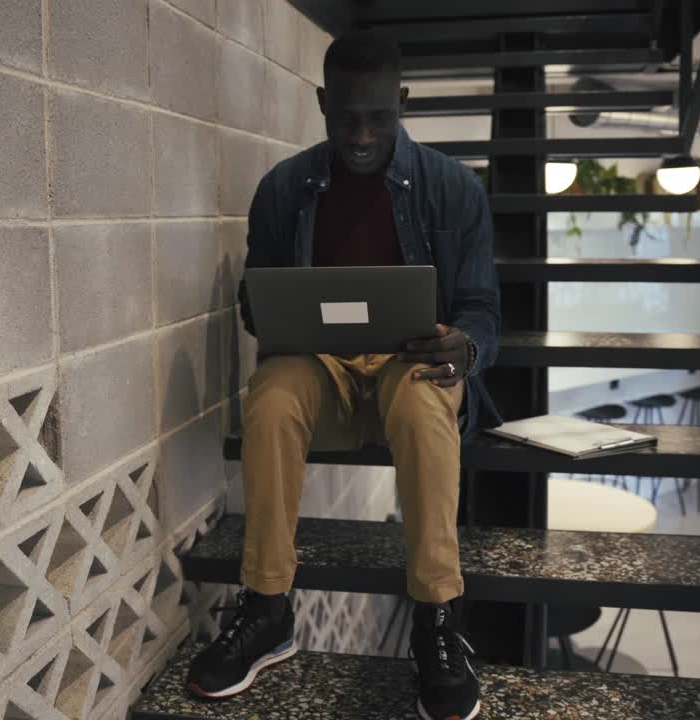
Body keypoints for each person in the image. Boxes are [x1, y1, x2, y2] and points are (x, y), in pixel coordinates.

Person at [184, 30, 501, 720]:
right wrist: (264, 309)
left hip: (409, 368)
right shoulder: (283, 190)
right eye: (345, 116)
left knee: (424, 401)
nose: (360, 134)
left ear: (403, 103)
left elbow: (482, 310)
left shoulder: (454, 189)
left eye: (378, 118)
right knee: (269, 398)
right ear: (323, 101)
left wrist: (464, 348)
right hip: (318, 371)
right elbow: (253, 302)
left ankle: (436, 617)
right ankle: (269, 608)